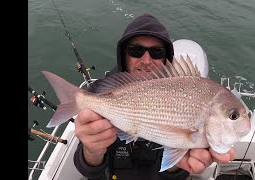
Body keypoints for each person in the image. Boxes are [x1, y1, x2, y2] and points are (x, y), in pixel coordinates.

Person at [73, 13, 236, 180]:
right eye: (136, 50)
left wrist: (176, 164)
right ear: (123, 54)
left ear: (166, 58)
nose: (146, 60)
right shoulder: (99, 92)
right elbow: (87, 171)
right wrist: (92, 151)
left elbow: (174, 175)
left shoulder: (184, 96)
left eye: (156, 52)